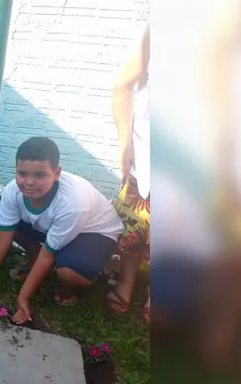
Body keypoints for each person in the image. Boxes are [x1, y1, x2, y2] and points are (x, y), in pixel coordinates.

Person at [0, 137, 124, 324]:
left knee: (69, 271)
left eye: (39, 175)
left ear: (57, 173)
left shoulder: (73, 203)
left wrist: (23, 297)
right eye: (22, 173)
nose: (28, 182)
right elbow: (2, 237)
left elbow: (48, 255)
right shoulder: (13, 190)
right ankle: (35, 255)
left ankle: (72, 283)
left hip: (94, 232)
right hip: (57, 225)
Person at [106, 24, 151, 324]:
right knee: (136, 222)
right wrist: (124, 142)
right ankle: (126, 281)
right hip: (148, 151)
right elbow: (123, 85)